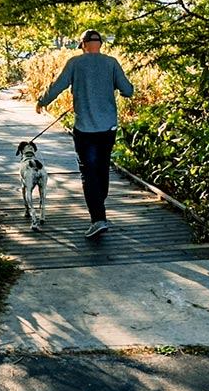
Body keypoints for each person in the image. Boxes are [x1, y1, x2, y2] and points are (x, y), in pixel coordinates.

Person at [35, 29, 135, 240]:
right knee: (102, 169)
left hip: (85, 129)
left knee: (88, 173)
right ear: (100, 44)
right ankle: (99, 211)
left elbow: (57, 87)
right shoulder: (111, 63)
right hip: (108, 128)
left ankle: (98, 218)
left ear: (83, 44)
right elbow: (128, 90)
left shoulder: (75, 63)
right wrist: (113, 86)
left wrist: (41, 101)